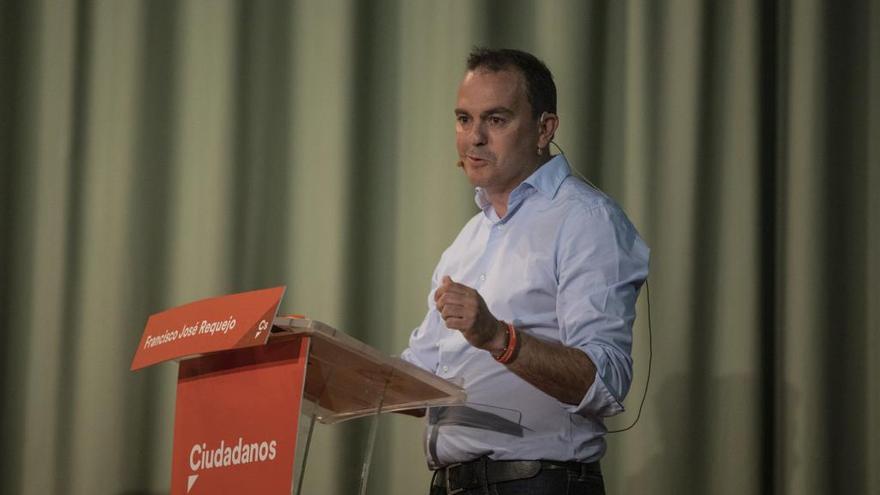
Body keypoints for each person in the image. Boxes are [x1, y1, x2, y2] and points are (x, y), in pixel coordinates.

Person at [401, 47, 650, 495]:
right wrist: (324, 364)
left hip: (537, 483)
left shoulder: (584, 219)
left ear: (544, 129)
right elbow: (418, 380)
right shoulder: (466, 242)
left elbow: (606, 382)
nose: (473, 138)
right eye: (463, 119)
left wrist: (498, 337)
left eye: (495, 120)